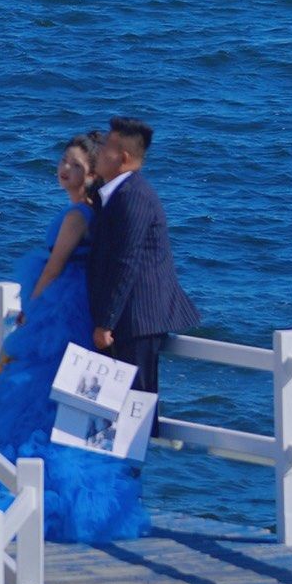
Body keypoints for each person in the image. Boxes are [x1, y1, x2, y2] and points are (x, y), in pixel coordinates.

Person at [0, 132, 150, 544]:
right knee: (65, 404)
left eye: (75, 165)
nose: (65, 170)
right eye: (63, 161)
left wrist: (33, 310)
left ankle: (21, 481)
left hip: (61, 307)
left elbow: (53, 268)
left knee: (35, 392)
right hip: (82, 306)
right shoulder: (98, 214)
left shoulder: (77, 216)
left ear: (92, 174)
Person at [85, 116, 199, 400]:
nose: (98, 153)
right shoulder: (116, 193)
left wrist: (106, 322)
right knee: (118, 407)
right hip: (128, 320)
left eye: (106, 148)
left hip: (136, 320)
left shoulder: (133, 195)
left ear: (122, 157)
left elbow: (126, 261)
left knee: (135, 407)